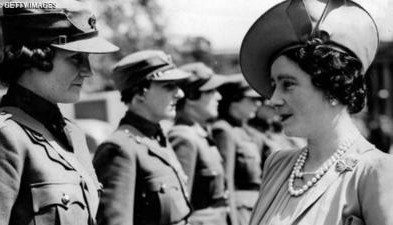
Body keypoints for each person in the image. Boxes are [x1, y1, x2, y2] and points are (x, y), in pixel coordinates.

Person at [239, 0, 393, 224]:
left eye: (288, 84)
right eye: (274, 85)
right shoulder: (277, 164)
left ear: (332, 87)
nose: (273, 99)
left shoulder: (376, 171)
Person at [0, 0, 119, 224]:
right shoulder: (3, 138)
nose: (88, 72)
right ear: (35, 57)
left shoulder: (73, 135)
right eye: (75, 58)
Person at [93, 50, 192, 225]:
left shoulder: (156, 139)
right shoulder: (120, 149)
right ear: (140, 93)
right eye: (169, 86)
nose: (180, 94)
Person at [168, 62, 235, 225]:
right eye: (210, 91)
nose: (218, 96)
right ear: (191, 96)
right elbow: (181, 205)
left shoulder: (200, 134)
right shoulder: (183, 137)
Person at [214, 77, 266, 225]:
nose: (258, 104)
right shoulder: (224, 130)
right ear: (234, 101)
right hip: (239, 209)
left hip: (253, 206)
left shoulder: (245, 131)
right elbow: (227, 180)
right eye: (251, 99)